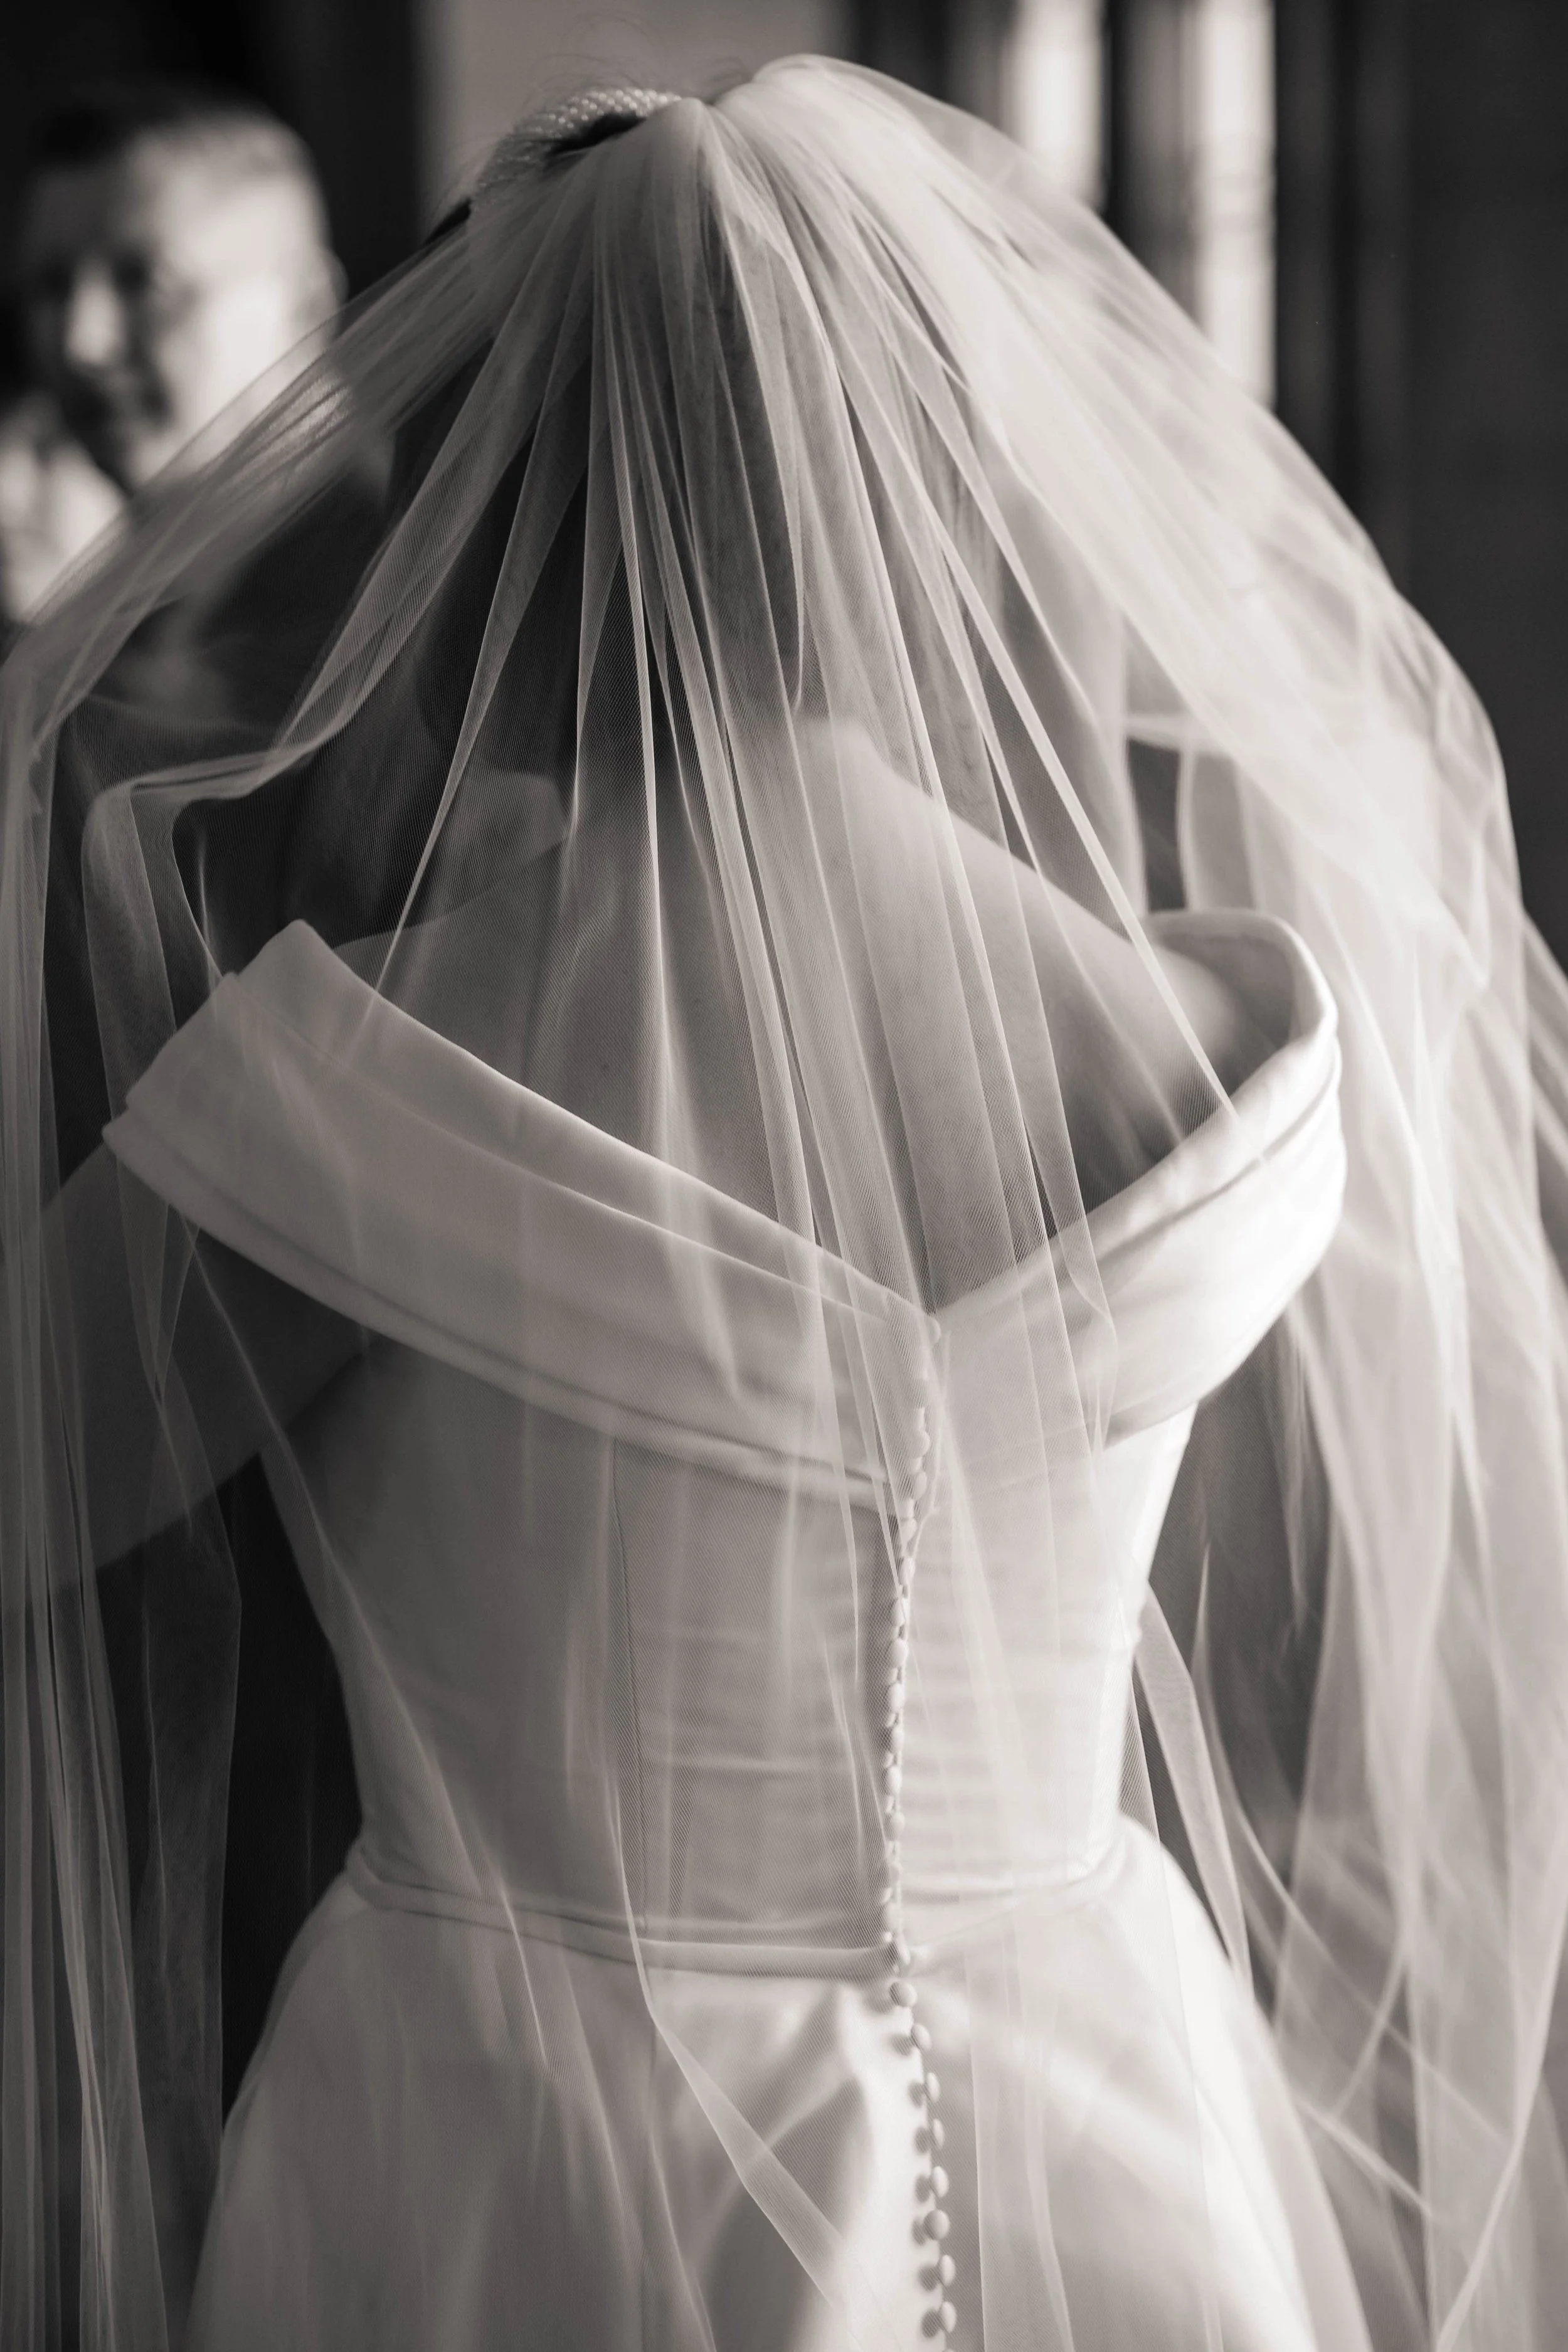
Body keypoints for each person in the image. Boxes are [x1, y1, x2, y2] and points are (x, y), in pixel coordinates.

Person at [3, 60, 1567, 2352]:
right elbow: (1259, 1642)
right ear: (927, 497)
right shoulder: (1216, 1059)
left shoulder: (361, 1070)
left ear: (478, 521)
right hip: (1106, 2101)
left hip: (510, 2149)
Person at [12, 77, 377, 2135]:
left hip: (294, 1500)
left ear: (313, 299)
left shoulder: (399, 631)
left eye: (137, 279)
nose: (72, 343)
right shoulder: (109, 621)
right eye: (44, 283)